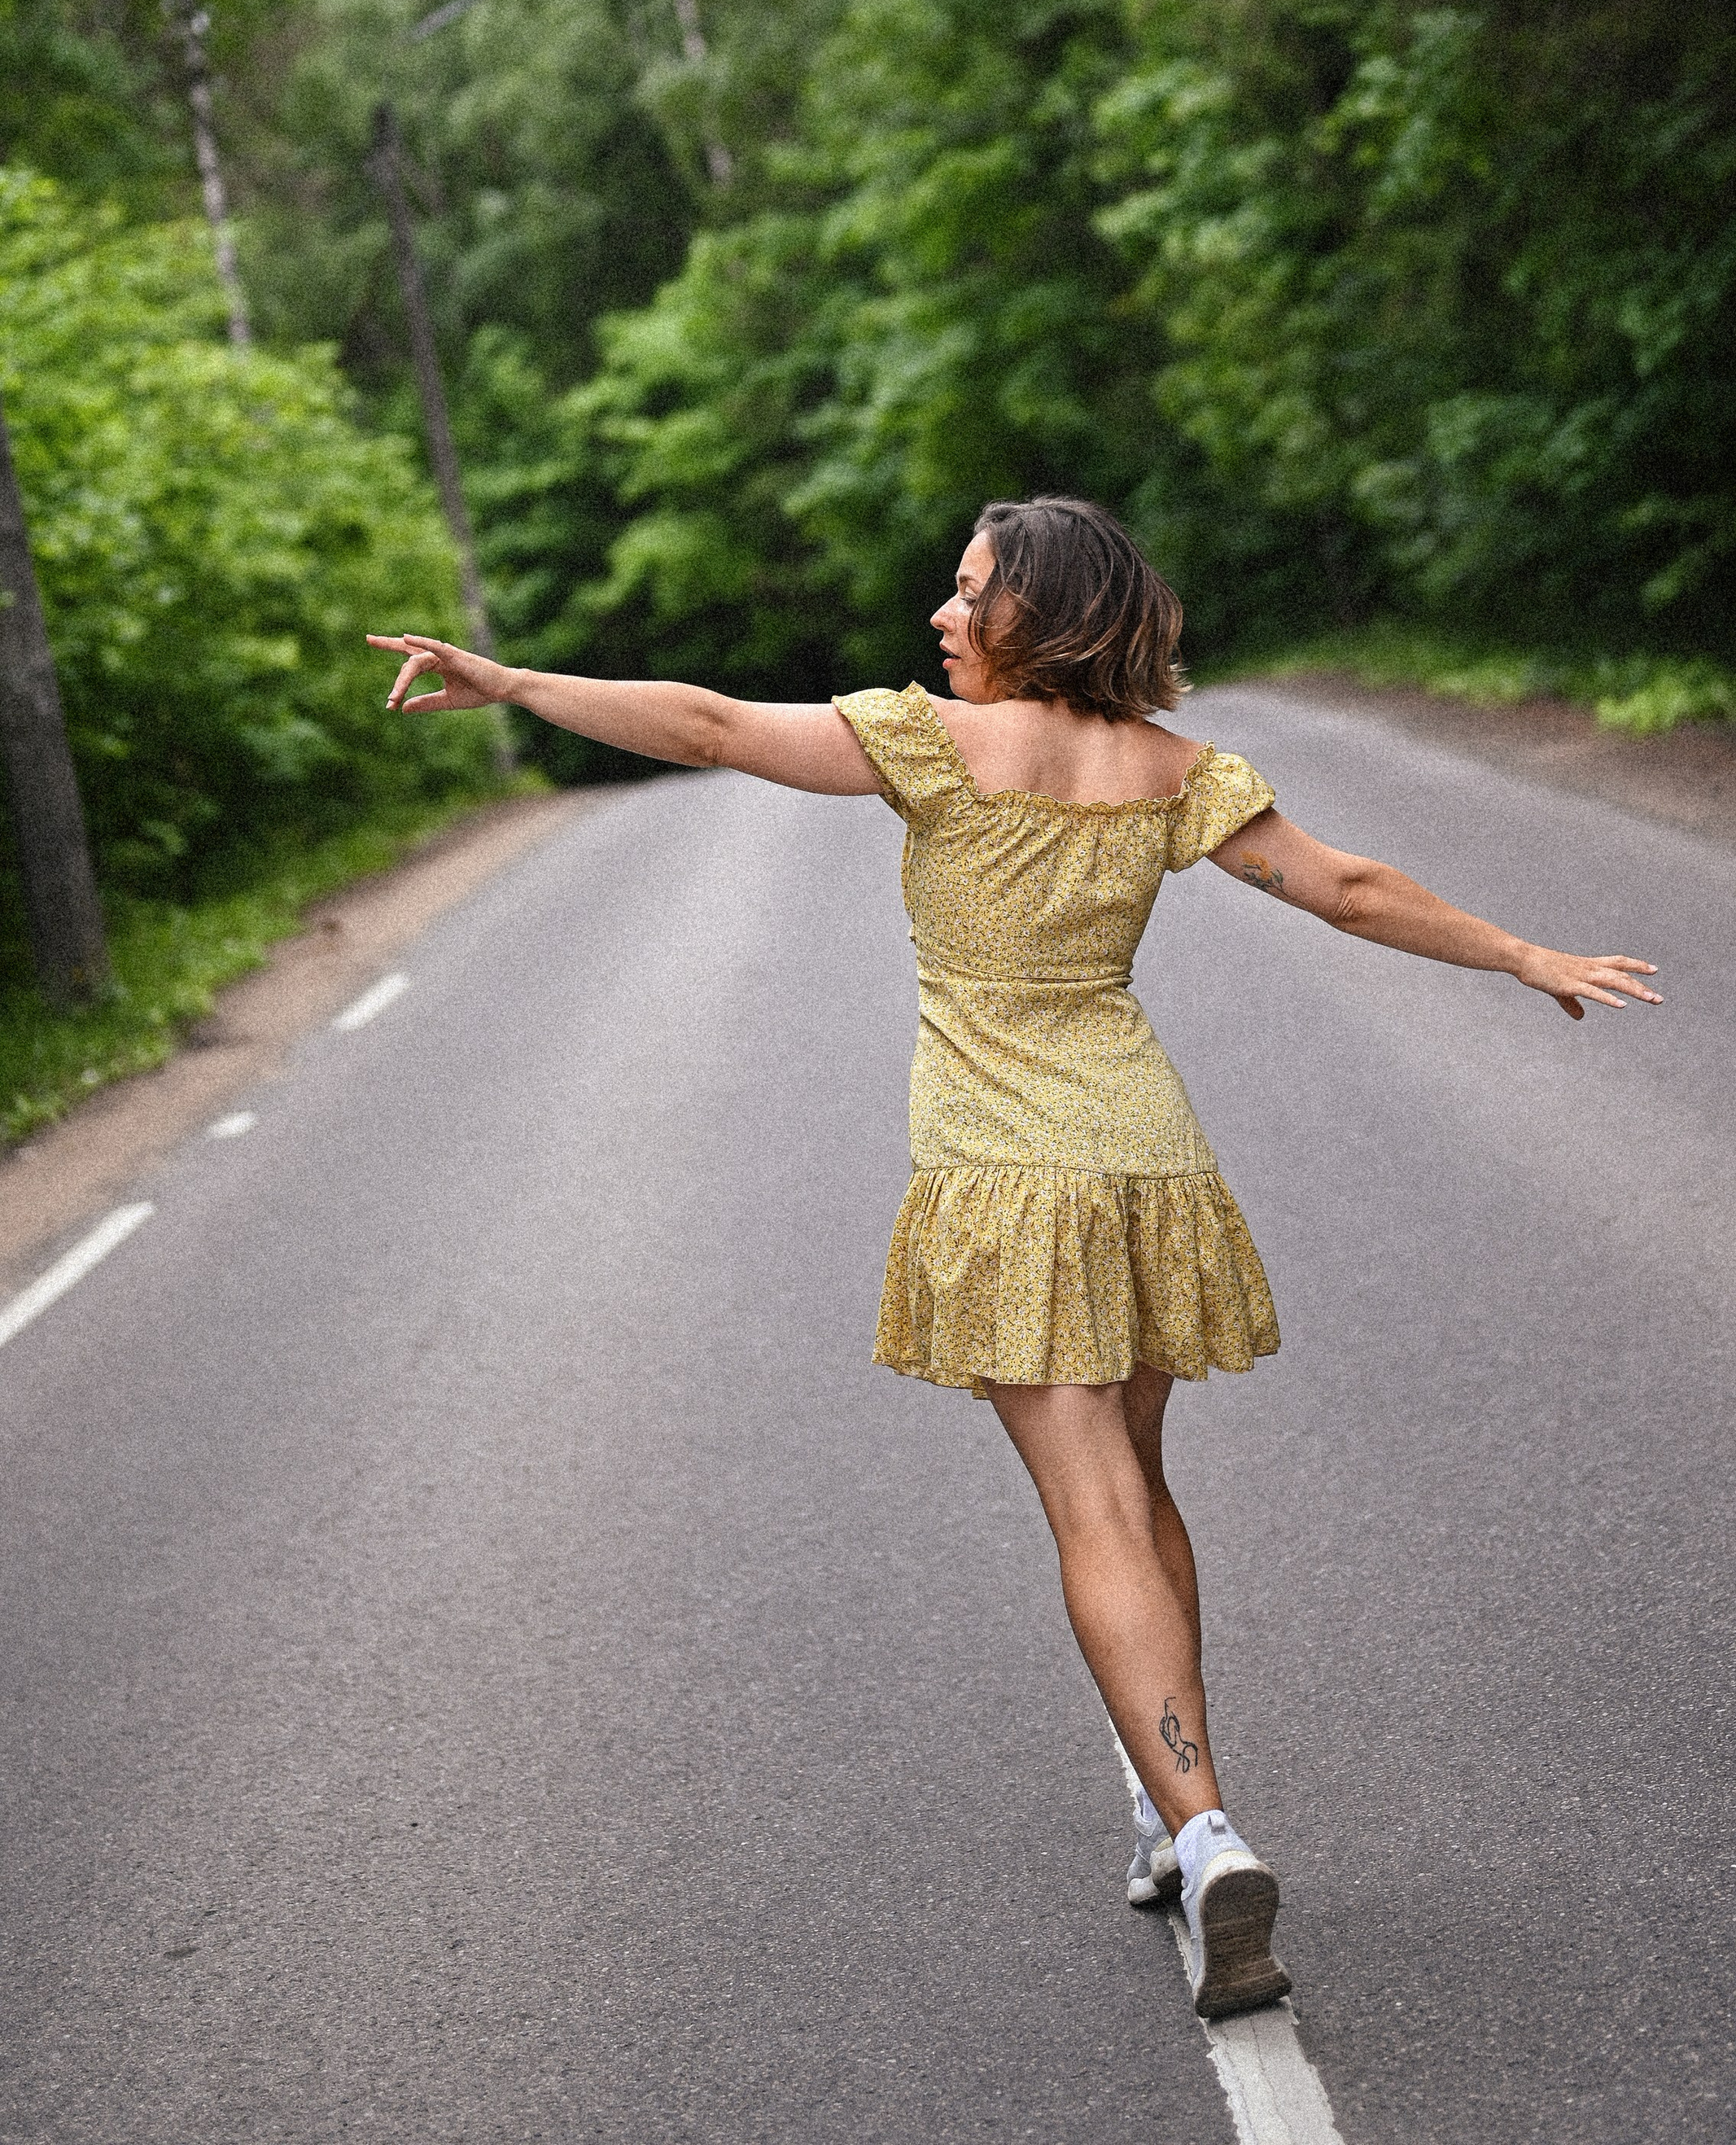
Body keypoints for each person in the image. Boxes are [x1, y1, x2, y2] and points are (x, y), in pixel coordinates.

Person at [370, 493, 1658, 2019]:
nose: (940, 616)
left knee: (1091, 1507)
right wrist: (1523, 956)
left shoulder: (930, 747)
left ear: (1036, 613)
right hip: (1148, 1161)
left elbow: (711, 725)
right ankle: (1168, 1810)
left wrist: (516, 685)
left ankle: (1205, 1827)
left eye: (967, 594)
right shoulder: (1175, 774)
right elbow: (1351, 889)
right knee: (1144, 1483)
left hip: (1008, 1174)